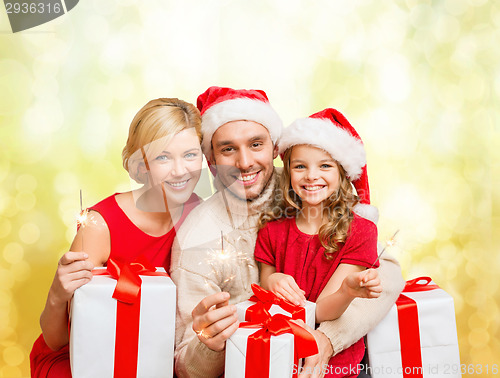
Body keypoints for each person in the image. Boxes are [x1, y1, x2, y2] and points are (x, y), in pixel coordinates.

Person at [171, 86, 405, 378]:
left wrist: (328, 339)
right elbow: (185, 366)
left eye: (256, 144)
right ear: (212, 159)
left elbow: (387, 272)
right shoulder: (198, 237)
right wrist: (211, 344)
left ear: (274, 147)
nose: (244, 163)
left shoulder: (308, 185)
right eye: (228, 149)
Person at [30, 98, 203, 377]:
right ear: (141, 163)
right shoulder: (100, 225)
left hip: (151, 354)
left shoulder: (200, 214)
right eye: (163, 157)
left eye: (190, 155)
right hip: (87, 355)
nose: (180, 170)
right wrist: (56, 294)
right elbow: (56, 341)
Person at [256, 108, 382, 377]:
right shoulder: (272, 230)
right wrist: (273, 279)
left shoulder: (361, 232)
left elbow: (322, 312)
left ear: (342, 173)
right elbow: (262, 286)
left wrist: (347, 292)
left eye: (325, 165)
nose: (311, 176)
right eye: (300, 166)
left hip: (336, 366)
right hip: (277, 357)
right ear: (288, 172)